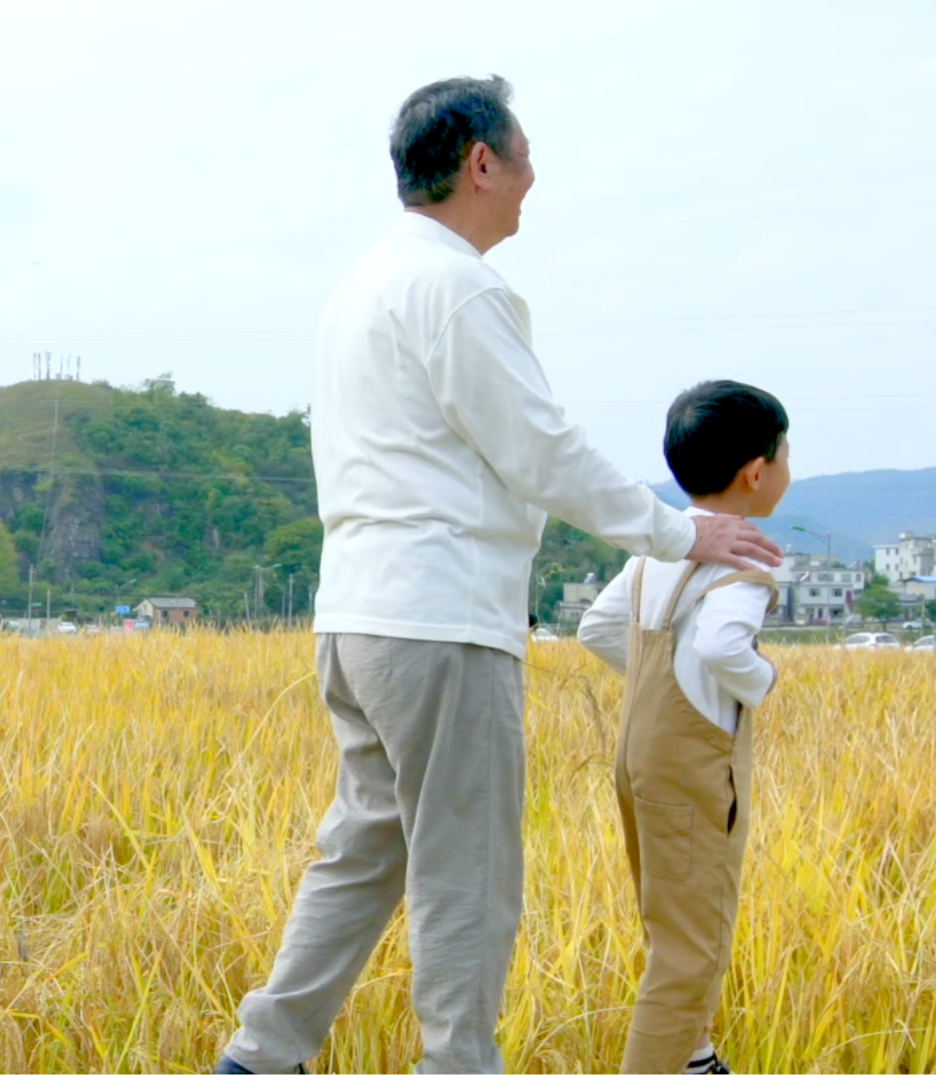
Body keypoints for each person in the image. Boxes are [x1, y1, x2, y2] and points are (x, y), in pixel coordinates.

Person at [212, 76, 783, 1075]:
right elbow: (541, 449)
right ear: (481, 162)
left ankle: (261, 1056)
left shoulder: (361, 284)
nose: (532, 181)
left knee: (363, 849)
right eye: (523, 159)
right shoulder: (458, 287)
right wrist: (675, 532)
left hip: (356, 615)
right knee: (467, 875)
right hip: (440, 621)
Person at [575, 381, 791, 1075]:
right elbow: (724, 646)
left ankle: (696, 1059)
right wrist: (762, 681)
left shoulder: (657, 551)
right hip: (694, 774)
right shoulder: (748, 559)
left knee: (669, 923)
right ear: (758, 471)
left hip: (638, 761)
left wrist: (657, 683)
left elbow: (598, 626)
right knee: (691, 950)